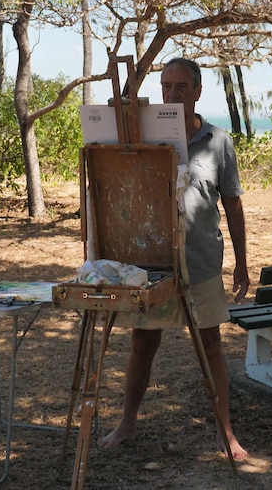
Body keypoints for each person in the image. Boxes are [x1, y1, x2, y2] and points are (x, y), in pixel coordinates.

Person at [98, 57, 250, 461]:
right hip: (153, 264)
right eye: (166, 86)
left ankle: (226, 432)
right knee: (142, 345)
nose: (172, 94)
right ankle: (126, 423)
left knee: (211, 347)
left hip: (200, 263)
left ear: (198, 91)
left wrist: (242, 263)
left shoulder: (217, 141)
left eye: (181, 86)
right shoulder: (147, 137)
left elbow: (233, 205)